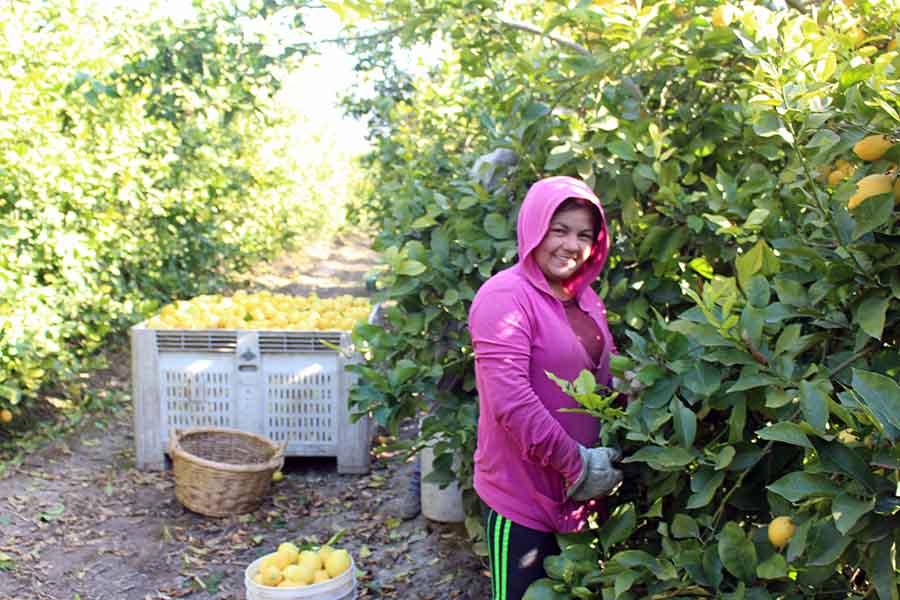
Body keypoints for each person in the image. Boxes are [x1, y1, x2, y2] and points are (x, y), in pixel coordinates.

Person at [468, 175, 623, 600]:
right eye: (559, 230)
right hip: (522, 497)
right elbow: (511, 402)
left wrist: (628, 393)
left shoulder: (588, 300)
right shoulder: (504, 297)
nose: (571, 245)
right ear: (534, 228)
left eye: (584, 234)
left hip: (579, 503)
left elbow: (594, 382)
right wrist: (578, 465)